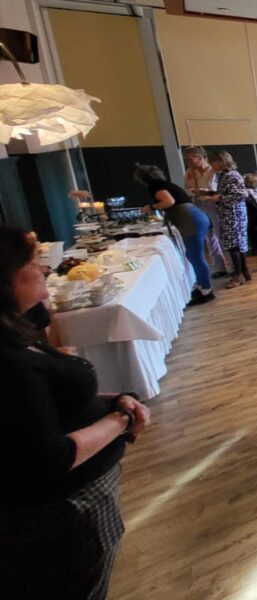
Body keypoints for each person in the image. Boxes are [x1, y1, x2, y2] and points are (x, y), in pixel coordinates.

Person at [1, 226, 151, 599]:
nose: (43, 268)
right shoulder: (7, 362)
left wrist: (108, 401)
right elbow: (49, 458)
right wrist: (119, 421)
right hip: (65, 513)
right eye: (32, 262)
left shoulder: (16, 332)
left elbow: (39, 403)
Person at [133, 165, 214, 305]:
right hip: (195, 217)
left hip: (190, 220)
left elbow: (169, 201)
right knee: (192, 255)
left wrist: (151, 207)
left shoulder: (156, 186)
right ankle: (202, 285)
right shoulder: (166, 184)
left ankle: (207, 291)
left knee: (196, 257)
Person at [201, 150, 252, 288]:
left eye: (213, 163)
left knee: (233, 246)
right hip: (231, 213)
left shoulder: (230, 175)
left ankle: (237, 276)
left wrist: (219, 198)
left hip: (233, 215)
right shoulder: (224, 175)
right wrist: (213, 194)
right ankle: (244, 272)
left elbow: (242, 194)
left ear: (220, 161)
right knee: (236, 245)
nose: (212, 166)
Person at [183, 145, 230, 277]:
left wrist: (208, 192)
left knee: (221, 235)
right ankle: (220, 267)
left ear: (200, 157)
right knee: (209, 237)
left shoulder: (214, 170)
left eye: (190, 159)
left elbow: (221, 189)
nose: (189, 162)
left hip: (215, 205)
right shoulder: (189, 172)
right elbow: (186, 188)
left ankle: (232, 266)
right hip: (199, 204)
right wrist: (193, 192)